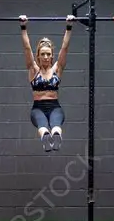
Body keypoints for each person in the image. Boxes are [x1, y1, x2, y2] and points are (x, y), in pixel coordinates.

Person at [20, 14, 75, 151]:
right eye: (43, 54)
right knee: (43, 126)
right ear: (38, 55)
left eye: (48, 54)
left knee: (56, 126)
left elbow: (64, 48)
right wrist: (23, 27)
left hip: (55, 106)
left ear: (52, 56)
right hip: (37, 108)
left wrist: (69, 27)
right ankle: (45, 138)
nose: (45, 57)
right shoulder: (33, 69)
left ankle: (56, 137)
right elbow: (27, 48)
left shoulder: (57, 69)